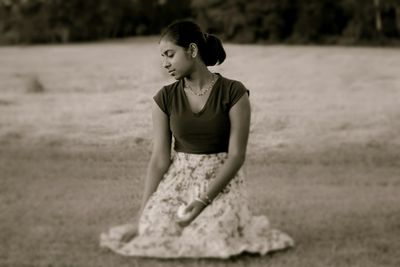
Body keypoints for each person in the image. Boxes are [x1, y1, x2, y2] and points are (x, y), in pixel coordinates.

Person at [100, 19, 294, 258]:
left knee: (208, 238)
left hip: (220, 183)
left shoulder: (234, 92)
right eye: (162, 57)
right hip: (178, 182)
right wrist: (143, 215)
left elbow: (237, 155)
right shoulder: (164, 98)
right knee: (153, 232)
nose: (165, 64)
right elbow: (160, 160)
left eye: (170, 55)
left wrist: (203, 200)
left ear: (192, 50)